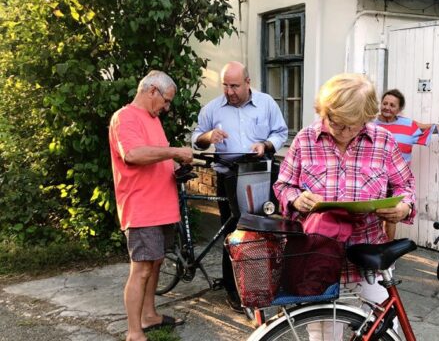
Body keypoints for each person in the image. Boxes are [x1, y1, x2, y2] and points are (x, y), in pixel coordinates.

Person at [273, 73, 415, 339]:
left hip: (369, 256)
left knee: (386, 330)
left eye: (354, 125)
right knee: (324, 332)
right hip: (319, 255)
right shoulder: (305, 140)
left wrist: (403, 208)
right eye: (338, 124)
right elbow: (283, 186)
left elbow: (405, 187)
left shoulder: (382, 141)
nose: (346, 132)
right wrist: (295, 198)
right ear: (325, 111)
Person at [191, 61, 288, 313]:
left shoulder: (266, 103)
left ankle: (267, 283)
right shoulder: (213, 108)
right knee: (233, 233)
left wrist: (265, 145)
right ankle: (234, 290)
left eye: (235, 86)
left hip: (261, 174)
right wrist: (207, 137)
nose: (229, 91)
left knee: (267, 229)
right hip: (229, 176)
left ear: (248, 82)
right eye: (225, 85)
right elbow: (196, 139)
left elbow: (281, 132)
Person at [109, 70, 193, 341]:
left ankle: (149, 316)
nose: (167, 108)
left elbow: (156, 157)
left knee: (155, 263)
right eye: (166, 101)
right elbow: (132, 155)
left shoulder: (152, 119)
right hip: (141, 208)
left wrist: (177, 165)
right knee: (142, 267)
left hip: (161, 206)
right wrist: (174, 152)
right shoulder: (125, 117)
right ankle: (134, 332)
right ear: (152, 91)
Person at [375, 88, 439, 240]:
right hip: (374, 178)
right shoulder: (370, 124)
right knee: (373, 217)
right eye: (385, 103)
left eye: (392, 105)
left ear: (399, 109)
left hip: (397, 181)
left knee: (391, 216)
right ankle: (373, 251)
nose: (387, 107)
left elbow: (431, 128)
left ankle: (388, 253)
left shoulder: (409, 126)